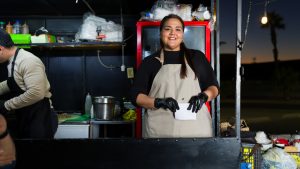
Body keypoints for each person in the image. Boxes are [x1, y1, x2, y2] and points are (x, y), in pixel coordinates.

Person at [130, 14, 219, 138]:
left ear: (182, 34)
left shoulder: (197, 57)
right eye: (167, 29)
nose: (173, 33)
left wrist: (204, 96)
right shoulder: (150, 62)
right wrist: (159, 102)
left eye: (178, 29)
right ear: (160, 33)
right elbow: (136, 96)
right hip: (159, 133)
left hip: (196, 132)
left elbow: (213, 87)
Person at [0, 28, 58, 139]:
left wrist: (6, 105)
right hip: (26, 116)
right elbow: (12, 83)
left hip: (40, 119)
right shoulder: (12, 61)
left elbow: (36, 93)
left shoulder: (28, 61)